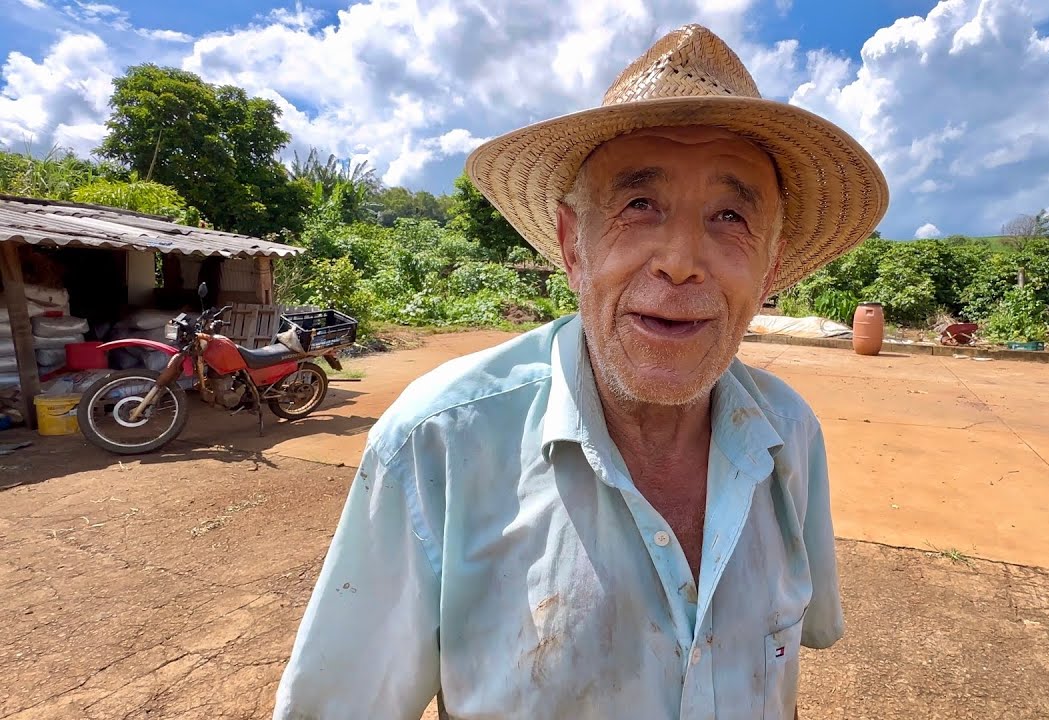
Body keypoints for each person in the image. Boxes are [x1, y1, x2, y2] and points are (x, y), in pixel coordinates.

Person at [273, 23, 888, 720]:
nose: (681, 259)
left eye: (728, 215)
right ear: (573, 246)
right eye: (638, 206)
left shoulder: (790, 437)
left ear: (771, 268)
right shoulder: (437, 443)